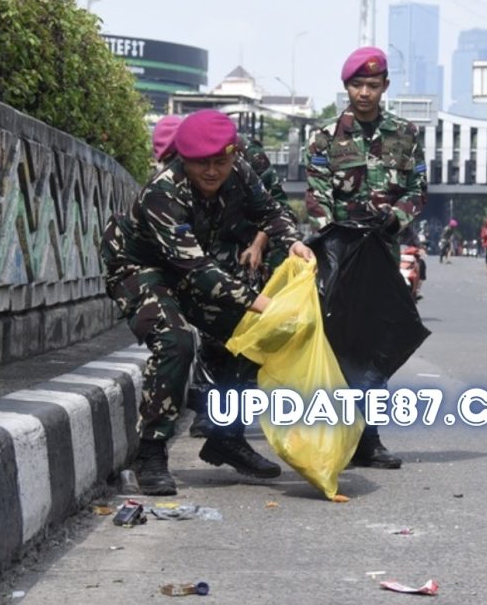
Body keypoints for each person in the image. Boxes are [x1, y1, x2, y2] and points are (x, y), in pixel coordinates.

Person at [101, 109, 314, 495]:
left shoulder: (240, 174)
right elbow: (197, 272)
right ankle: (150, 454)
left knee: (255, 335)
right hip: (143, 269)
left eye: (222, 161)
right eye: (202, 163)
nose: (213, 171)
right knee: (176, 341)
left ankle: (226, 435)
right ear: (185, 158)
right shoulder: (163, 192)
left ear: (234, 155)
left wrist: (292, 241)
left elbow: (270, 211)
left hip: (195, 266)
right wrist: (262, 302)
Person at [305, 46, 428, 469]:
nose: (364, 92)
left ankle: (369, 439)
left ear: (385, 87)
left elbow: (418, 189)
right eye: (357, 84)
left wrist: (394, 218)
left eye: (372, 85)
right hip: (339, 255)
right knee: (341, 345)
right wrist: (330, 235)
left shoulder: (406, 134)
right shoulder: (324, 137)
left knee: (380, 344)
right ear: (346, 88)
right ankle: (340, 437)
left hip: (383, 252)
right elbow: (316, 197)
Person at [187, 135, 298, 439]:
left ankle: (228, 413)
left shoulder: (250, 155)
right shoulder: (189, 155)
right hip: (205, 253)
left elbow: (277, 207)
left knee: (240, 334)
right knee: (209, 337)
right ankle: (209, 411)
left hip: (244, 254)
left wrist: (259, 244)